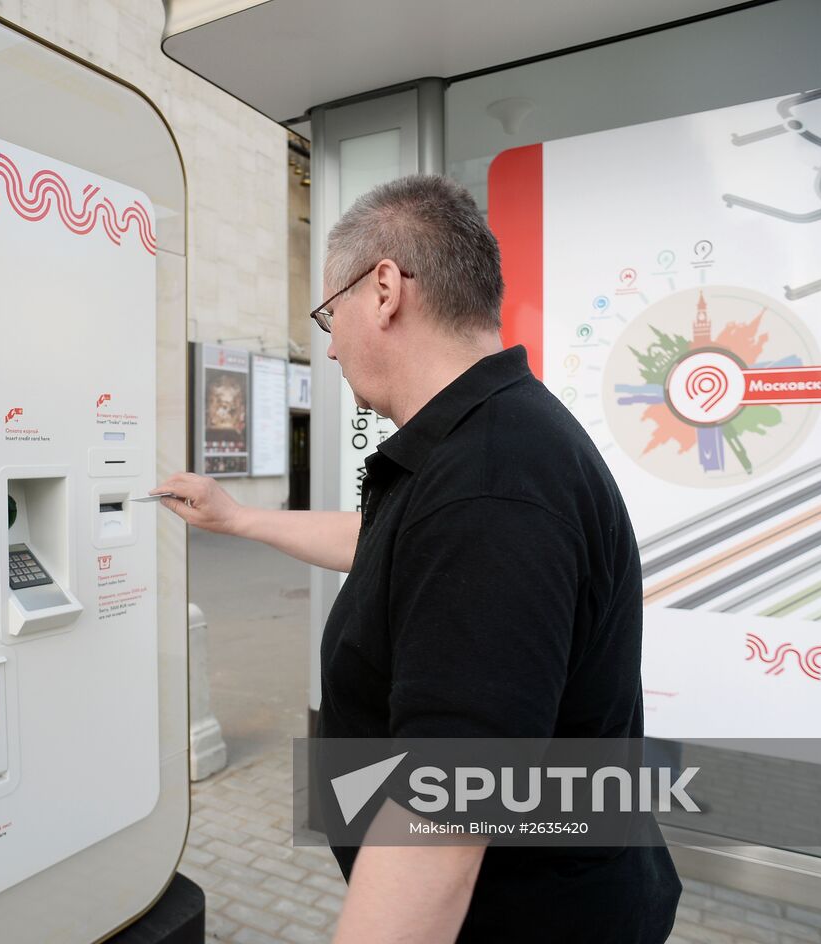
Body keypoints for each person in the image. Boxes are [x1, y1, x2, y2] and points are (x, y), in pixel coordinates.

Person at [156, 175, 681, 942]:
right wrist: (238, 519)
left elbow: (445, 810)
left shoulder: (491, 485)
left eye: (329, 315)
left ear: (384, 290)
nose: (330, 345)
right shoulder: (485, 446)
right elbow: (390, 550)